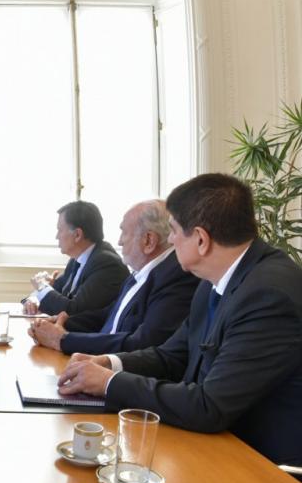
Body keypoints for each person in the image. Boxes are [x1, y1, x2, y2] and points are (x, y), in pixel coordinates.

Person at [58, 173, 302, 466]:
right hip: (218, 444)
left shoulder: (268, 295)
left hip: (266, 469)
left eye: (174, 230)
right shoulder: (212, 281)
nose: (170, 240)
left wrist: (110, 383)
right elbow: (172, 355)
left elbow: (209, 406)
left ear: (201, 239)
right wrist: (110, 363)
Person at [29, 200, 198, 354]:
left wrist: (63, 340)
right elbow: (108, 315)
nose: (119, 241)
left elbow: (144, 343)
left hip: (118, 375)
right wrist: (61, 324)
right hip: (97, 363)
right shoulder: (141, 273)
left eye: (124, 232)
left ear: (149, 241)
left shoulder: (176, 277)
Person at [23, 201, 128, 316]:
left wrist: (42, 286)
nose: (56, 236)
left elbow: (73, 311)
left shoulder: (106, 264)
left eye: (60, 230)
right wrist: (33, 299)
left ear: (77, 235)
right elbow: (53, 289)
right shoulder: (77, 259)